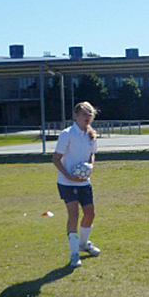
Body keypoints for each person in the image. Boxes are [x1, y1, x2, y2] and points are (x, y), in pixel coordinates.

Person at [51, 102, 100, 268]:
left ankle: (83, 243)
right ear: (76, 116)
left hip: (84, 183)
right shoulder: (67, 134)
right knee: (73, 214)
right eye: (84, 114)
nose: (87, 118)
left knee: (90, 214)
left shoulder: (91, 135)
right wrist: (69, 176)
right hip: (66, 182)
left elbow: (92, 154)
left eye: (90, 114)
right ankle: (74, 254)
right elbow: (55, 159)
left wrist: (90, 167)